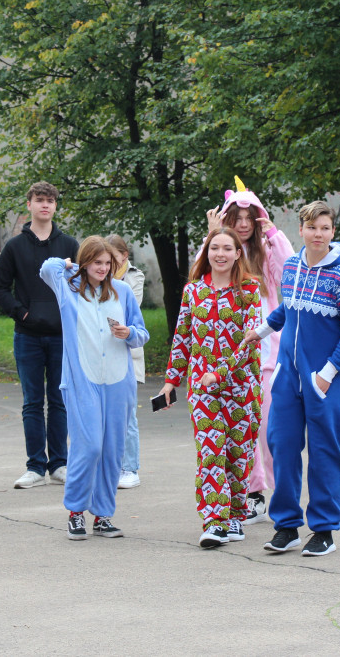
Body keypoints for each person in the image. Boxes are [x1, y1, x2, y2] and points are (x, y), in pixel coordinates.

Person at [243, 201, 340, 557]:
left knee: (325, 452)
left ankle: (324, 530)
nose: (318, 234)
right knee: (280, 445)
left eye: (325, 228)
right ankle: (286, 526)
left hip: (325, 381)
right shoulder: (293, 266)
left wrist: (326, 376)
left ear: (332, 233)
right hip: (286, 377)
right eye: (313, 227)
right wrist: (262, 330)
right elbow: (288, 307)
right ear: (301, 229)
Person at [40, 237, 149, 540]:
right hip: (81, 380)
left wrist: (129, 333)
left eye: (107, 264)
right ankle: (75, 512)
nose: (103, 269)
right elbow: (46, 268)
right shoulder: (68, 288)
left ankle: (102, 515)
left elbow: (142, 334)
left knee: (112, 450)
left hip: (118, 381)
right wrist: (73, 265)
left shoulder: (123, 291)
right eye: (97, 262)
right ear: (85, 262)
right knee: (88, 447)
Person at [160, 227, 262, 548]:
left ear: (237, 254)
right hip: (202, 390)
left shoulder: (249, 290)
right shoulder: (193, 291)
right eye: (213, 248)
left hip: (241, 387)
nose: (219, 254)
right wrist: (170, 381)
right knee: (211, 450)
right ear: (207, 253)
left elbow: (249, 341)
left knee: (237, 452)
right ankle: (214, 522)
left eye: (226, 248)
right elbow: (183, 338)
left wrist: (220, 372)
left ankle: (234, 515)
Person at [204, 176, 294, 523]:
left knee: (272, 428)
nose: (242, 225)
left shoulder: (267, 251)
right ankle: (251, 495)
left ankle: (281, 493)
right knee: (243, 430)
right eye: (236, 218)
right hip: (229, 357)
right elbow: (200, 278)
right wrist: (212, 237)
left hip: (268, 357)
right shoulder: (221, 250)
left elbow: (291, 273)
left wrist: (274, 234)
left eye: (248, 218)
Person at [0, 181, 79, 489]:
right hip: (27, 336)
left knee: (59, 400)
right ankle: (35, 466)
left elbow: (80, 286)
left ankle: (59, 464)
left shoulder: (69, 244)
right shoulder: (15, 246)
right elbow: (0, 289)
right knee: (32, 401)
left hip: (61, 336)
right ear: (29, 204)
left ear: (56, 206)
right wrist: (23, 312)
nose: (45, 205)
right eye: (39, 200)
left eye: (50, 201)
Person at [106, 234, 146, 490]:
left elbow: (132, 310)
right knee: (109, 415)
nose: (107, 261)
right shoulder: (98, 278)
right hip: (104, 354)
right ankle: (113, 465)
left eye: (113, 256)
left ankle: (130, 468)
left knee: (128, 415)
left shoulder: (133, 277)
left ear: (123, 256)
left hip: (129, 355)